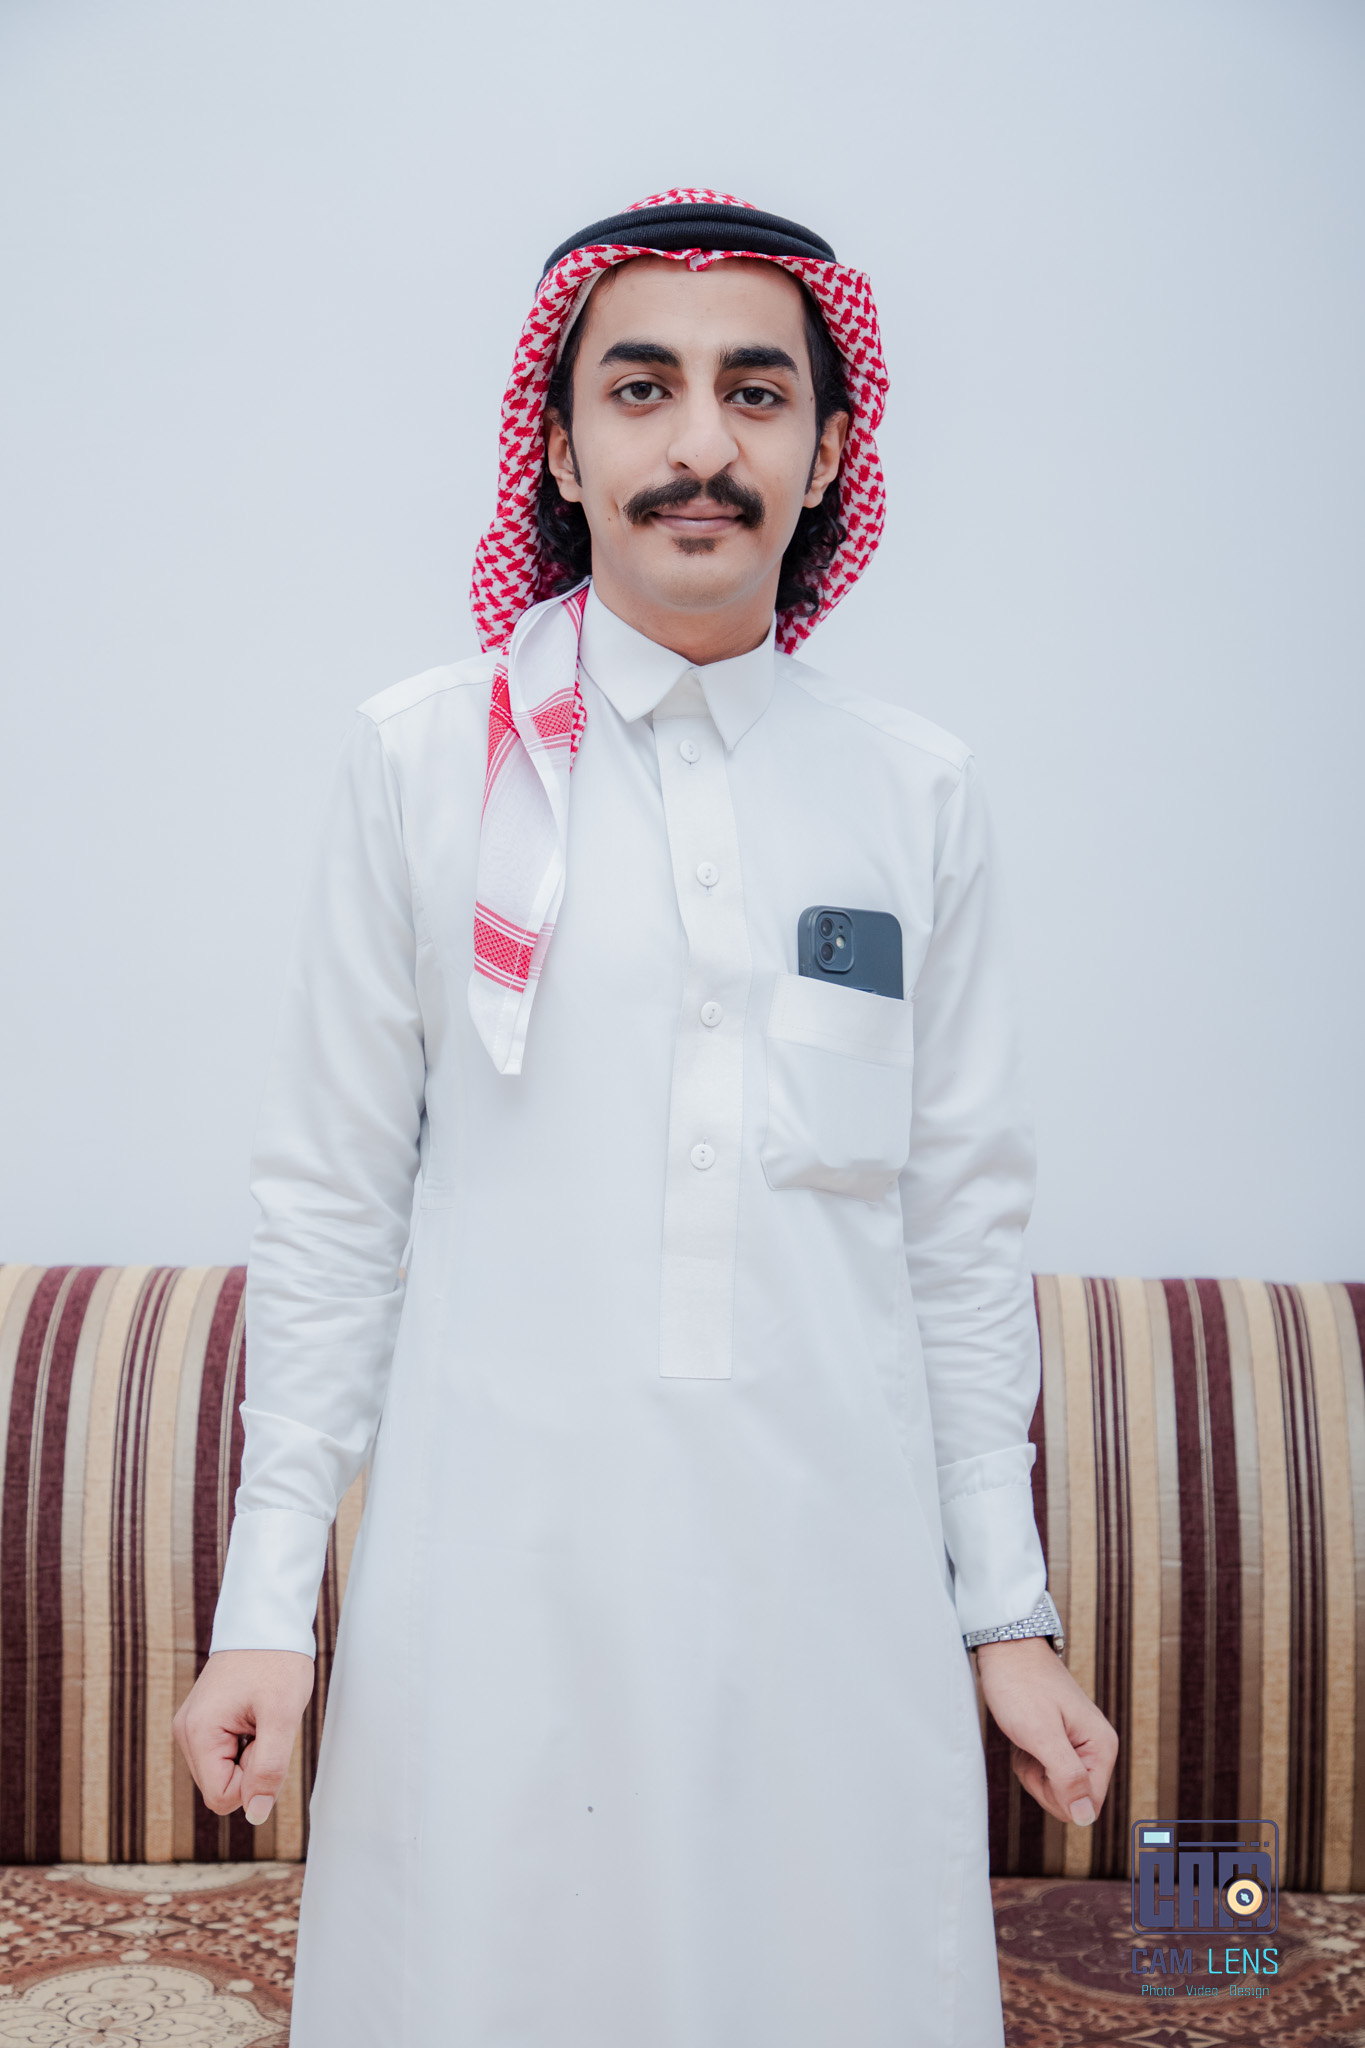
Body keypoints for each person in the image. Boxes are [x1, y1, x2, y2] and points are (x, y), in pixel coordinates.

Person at [174, 188, 1118, 2047]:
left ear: (825, 452)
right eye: (642, 389)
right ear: (559, 444)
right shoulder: (422, 763)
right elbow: (332, 1209)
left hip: (829, 1603)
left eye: (756, 393)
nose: (702, 444)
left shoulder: (913, 795)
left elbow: (956, 1240)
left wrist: (1005, 1620)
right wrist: (265, 1608)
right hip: (494, 1593)